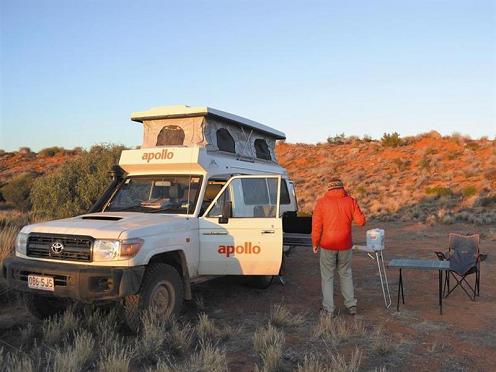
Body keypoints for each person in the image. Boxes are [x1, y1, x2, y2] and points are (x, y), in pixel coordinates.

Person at [312, 179, 366, 316]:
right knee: (346, 274)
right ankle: (351, 305)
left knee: (327, 277)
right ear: (342, 187)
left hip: (327, 245)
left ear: (329, 188)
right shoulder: (351, 201)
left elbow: (317, 226)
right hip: (345, 245)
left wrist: (315, 243)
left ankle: (329, 309)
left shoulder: (321, 203)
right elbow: (361, 222)